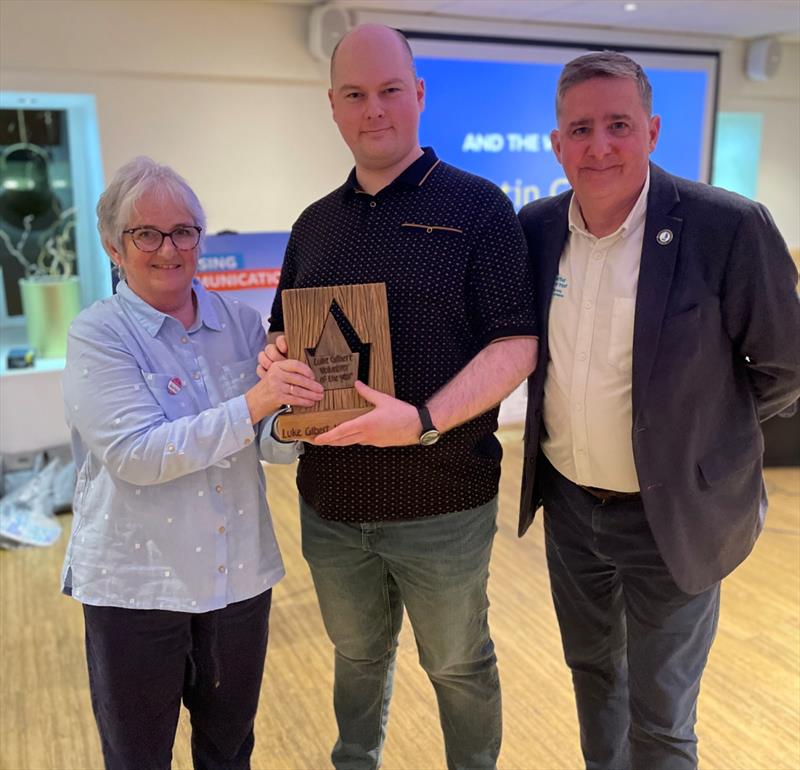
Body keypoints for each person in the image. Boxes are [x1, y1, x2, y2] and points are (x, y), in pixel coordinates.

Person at [259, 23, 538, 770]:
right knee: (355, 659)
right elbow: (284, 333)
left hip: (443, 502)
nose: (373, 108)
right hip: (332, 504)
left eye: (388, 91)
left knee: (456, 665)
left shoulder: (480, 208)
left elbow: (517, 343)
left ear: (417, 95)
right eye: (355, 93)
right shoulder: (312, 225)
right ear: (333, 106)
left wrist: (418, 421)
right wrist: (277, 356)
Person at [518, 51, 800, 770]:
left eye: (619, 124)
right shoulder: (537, 228)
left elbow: (785, 366)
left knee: (663, 716)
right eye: (580, 129)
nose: (600, 145)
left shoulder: (726, 228)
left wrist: (702, 439)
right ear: (556, 144)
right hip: (572, 513)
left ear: (653, 130)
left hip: (674, 517)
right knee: (594, 680)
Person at [60, 156, 322, 770]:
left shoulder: (240, 322)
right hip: (137, 587)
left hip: (238, 581)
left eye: (184, 231)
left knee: (229, 751)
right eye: (145, 234)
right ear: (113, 246)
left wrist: (310, 419)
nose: (168, 248)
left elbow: (265, 443)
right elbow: (137, 454)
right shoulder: (97, 335)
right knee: (138, 757)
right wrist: (258, 401)